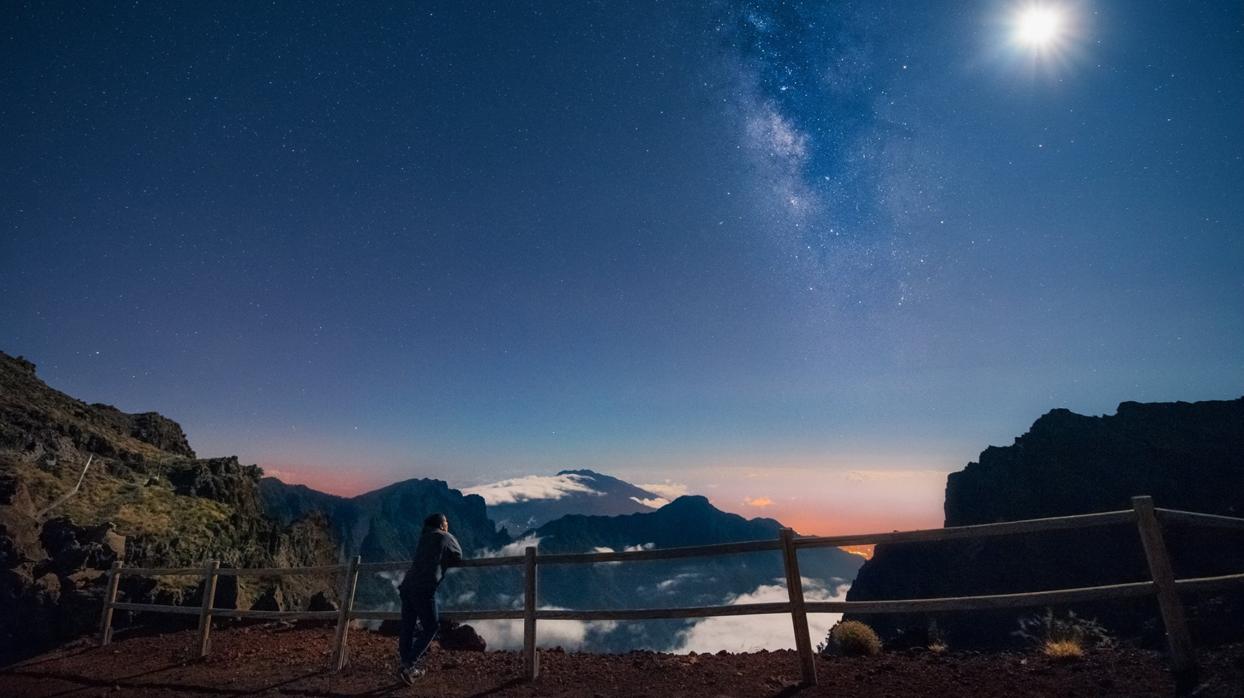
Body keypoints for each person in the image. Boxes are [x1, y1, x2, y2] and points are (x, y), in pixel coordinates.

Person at [396, 512, 462, 685]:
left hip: (407, 585)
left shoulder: (424, 537)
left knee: (408, 626)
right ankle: (409, 665)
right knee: (431, 627)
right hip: (423, 588)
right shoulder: (445, 536)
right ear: (441, 524)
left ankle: (404, 665)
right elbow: (458, 555)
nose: (448, 525)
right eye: (446, 522)